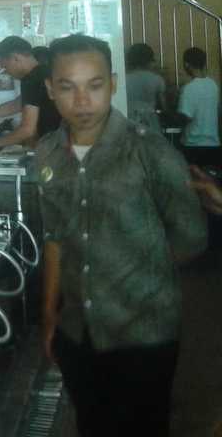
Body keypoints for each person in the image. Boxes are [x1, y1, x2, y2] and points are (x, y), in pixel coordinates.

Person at [38, 35, 207, 437]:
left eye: (95, 86)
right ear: (50, 89)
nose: (82, 102)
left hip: (144, 333)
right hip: (78, 331)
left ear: (113, 84)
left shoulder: (151, 152)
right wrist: (49, 316)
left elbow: (191, 236)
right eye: (68, 87)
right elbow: (55, 238)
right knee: (91, 424)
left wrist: (135, 269)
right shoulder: (46, 153)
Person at [177, 47, 220, 167]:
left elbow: (186, 117)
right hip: (213, 144)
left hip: (193, 145)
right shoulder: (213, 85)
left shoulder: (189, 88)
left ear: (187, 64)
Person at [125, 42, 166, 133]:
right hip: (150, 122)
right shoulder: (157, 79)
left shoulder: (123, 80)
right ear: (149, 60)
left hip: (129, 121)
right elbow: (163, 106)